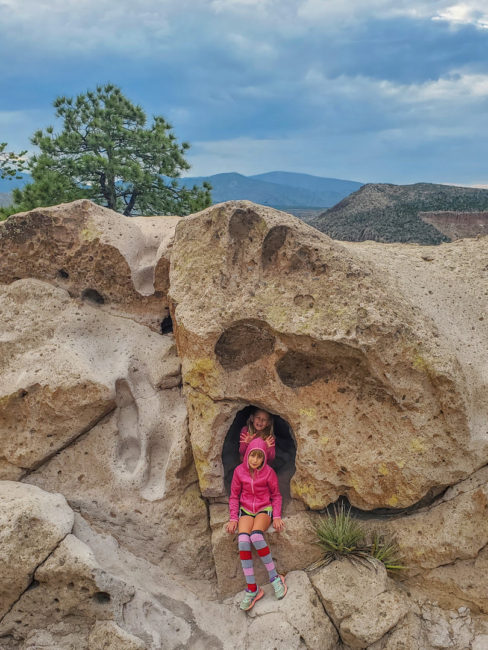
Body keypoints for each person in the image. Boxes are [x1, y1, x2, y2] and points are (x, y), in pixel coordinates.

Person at [226, 437, 287, 611]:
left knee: (256, 536)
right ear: (247, 455)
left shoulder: (268, 472)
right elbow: (234, 496)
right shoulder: (239, 472)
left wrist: (276, 516)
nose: (255, 460)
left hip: (263, 508)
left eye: (259, 457)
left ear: (264, 458)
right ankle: (252, 589)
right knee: (243, 540)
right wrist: (233, 518)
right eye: (252, 455)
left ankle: (275, 578)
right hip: (246, 510)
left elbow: (276, 496)